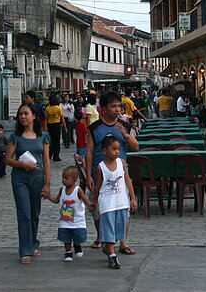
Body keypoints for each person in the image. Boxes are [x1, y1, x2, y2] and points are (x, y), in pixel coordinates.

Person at [86, 90, 139, 255]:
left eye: (119, 106)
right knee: (99, 207)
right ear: (103, 108)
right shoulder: (94, 128)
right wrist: (88, 175)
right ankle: (101, 236)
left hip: (120, 174)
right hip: (100, 172)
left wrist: (125, 135)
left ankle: (123, 242)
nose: (117, 110)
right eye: (113, 106)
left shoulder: (125, 126)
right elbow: (89, 152)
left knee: (123, 208)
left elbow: (135, 146)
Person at [5, 103, 51, 264]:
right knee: (24, 213)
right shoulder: (15, 137)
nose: (23, 117)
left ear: (33, 116)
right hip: (20, 179)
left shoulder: (43, 136)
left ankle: (33, 243)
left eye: (26, 113)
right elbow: (8, 159)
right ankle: (25, 250)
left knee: (34, 213)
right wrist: (22, 165)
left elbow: (46, 160)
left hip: (37, 178)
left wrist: (47, 183)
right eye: (20, 114)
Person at [94, 135, 137, 270]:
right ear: (105, 150)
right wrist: (94, 202)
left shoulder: (122, 163)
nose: (117, 152)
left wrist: (132, 197)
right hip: (107, 203)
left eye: (118, 149)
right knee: (108, 228)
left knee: (120, 226)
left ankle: (109, 247)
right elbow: (98, 186)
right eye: (113, 149)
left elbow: (127, 180)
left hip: (121, 202)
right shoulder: (101, 167)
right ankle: (112, 254)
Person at [44, 166, 95, 262]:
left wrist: (90, 205)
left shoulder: (78, 190)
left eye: (66, 178)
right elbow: (56, 200)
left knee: (77, 236)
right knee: (66, 238)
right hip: (65, 220)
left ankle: (77, 244)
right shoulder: (62, 190)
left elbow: (85, 200)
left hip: (77, 221)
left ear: (74, 179)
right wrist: (48, 197)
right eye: (63, 177)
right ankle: (68, 252)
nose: (63, 180)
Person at [45, 95, 64, 162]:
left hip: (50, 125)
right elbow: (62, 117)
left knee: (51, 141)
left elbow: (46, 118)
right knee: (57, 141)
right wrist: (65, 126)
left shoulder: (47, 108)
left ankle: (49, 155)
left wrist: (45, 127)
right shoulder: (58, 108)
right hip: (56, 124)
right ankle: (56, 156)